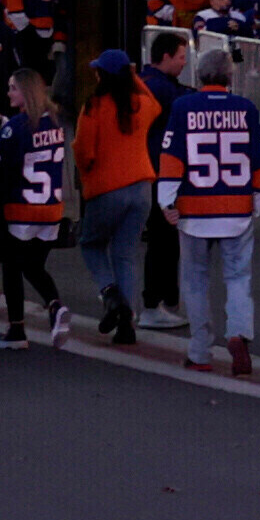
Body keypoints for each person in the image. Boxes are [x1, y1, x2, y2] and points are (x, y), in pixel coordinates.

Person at [154, 30, 260, 375]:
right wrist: (258, 200)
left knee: (195, 280)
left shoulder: (183, 106)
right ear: (229, 76)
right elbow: (259, 160)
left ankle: (200, 350)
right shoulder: (246, 109)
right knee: (238, 278)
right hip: (235, 206)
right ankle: (238, 332)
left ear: (200, 75)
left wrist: (166, 201)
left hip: (195, 208)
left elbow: (171, 159)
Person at [67, 46, 161, 345]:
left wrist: (86, 173)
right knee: (125, 254)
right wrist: (134, 77)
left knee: (92, 243)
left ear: (102, 75)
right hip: (142, 187)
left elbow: (83, 150)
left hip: (107, 188)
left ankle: (110, 295)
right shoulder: (140, 104)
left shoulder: (94, 106)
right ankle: (127, 323)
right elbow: (156, 104)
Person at [0, 63, 70, 347]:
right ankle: (55, 305)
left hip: (21, 209)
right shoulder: (55, 122)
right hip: (51, 208)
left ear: (25, 91)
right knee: (33, 266)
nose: (8, 92)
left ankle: (16, 330)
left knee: (12, 266)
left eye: (13, 88)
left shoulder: (16, 128)